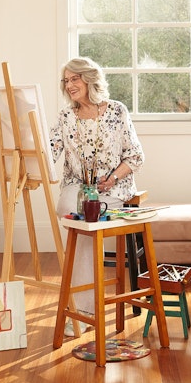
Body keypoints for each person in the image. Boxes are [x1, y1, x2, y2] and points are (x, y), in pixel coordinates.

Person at [50, 57, 145, 334]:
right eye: (66, 81)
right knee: (74, 212)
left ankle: (82, 311)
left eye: (74, 79)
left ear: (89, 79)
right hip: (77, 186)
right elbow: (48, 151)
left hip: (112, 188)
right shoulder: (66, 117)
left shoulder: (116, 110)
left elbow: (135, 156)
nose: (69, 85)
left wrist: (112, 177)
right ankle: (84, 306)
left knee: (84, 222)